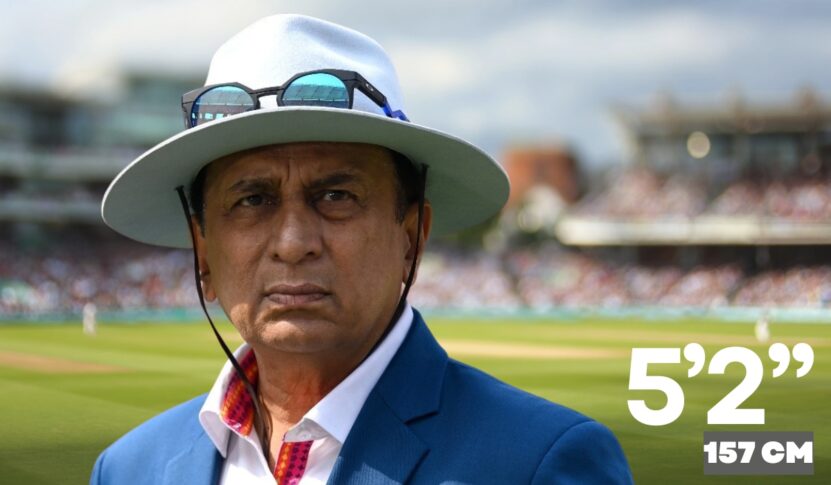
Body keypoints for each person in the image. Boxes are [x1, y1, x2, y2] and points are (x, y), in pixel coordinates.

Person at [92, 14, 633, 484]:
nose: (293, 243)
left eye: (336, 196)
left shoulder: (540, 462)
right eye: (252, 200)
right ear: (202, 252)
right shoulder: (128, 468)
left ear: (411, 236)